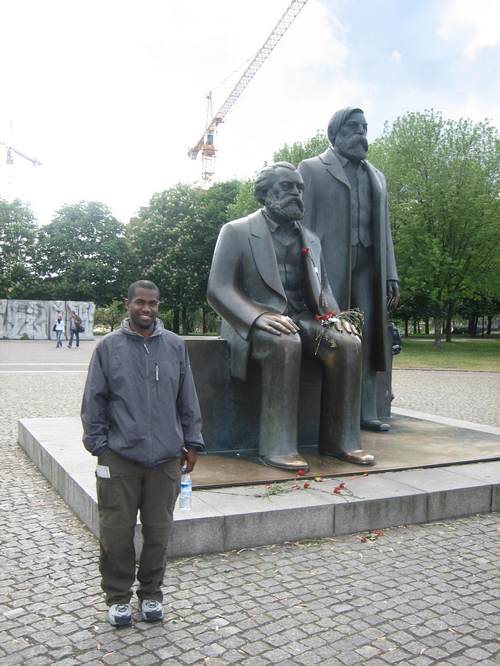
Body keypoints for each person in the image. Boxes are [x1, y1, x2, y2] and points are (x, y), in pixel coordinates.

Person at [207, 162, 374, 472]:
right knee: (285, 341)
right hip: (253, 320)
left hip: (303, 316)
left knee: (347, 343)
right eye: (288, 187)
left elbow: (322, 289)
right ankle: (278, 446)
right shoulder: (236, 231)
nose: (297, 194)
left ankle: (341, 441)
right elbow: (219, 289)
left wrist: (334, 318)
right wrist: (257, 317)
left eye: (299, 188)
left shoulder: (311, 239)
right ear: (265, 193)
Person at [81, 280, 205, 627]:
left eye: (153, 303)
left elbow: (187, 397)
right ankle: (118, 597)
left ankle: (151, 594)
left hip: (165, 459)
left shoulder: (174, 346)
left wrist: (192, 442)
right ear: (127, 304)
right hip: (120, 458)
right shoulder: (109, 347)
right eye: (140, 302)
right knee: (116, 531)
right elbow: (94, 400)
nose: (147, 309)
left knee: (158, 531)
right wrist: (99, 446)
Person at [298, 107, 400, 432]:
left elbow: (385, 230)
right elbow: (301, 224)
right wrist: (305, 269)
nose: (361, 134)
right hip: (330, 269)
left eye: (365, 128)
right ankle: (327, 412)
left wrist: (390, 273)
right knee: (335, 335)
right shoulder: (312, 169)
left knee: (368, 337)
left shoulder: (376, 176)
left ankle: (365, 410)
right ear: (335, 133)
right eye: (354, 127)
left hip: (369, 267)